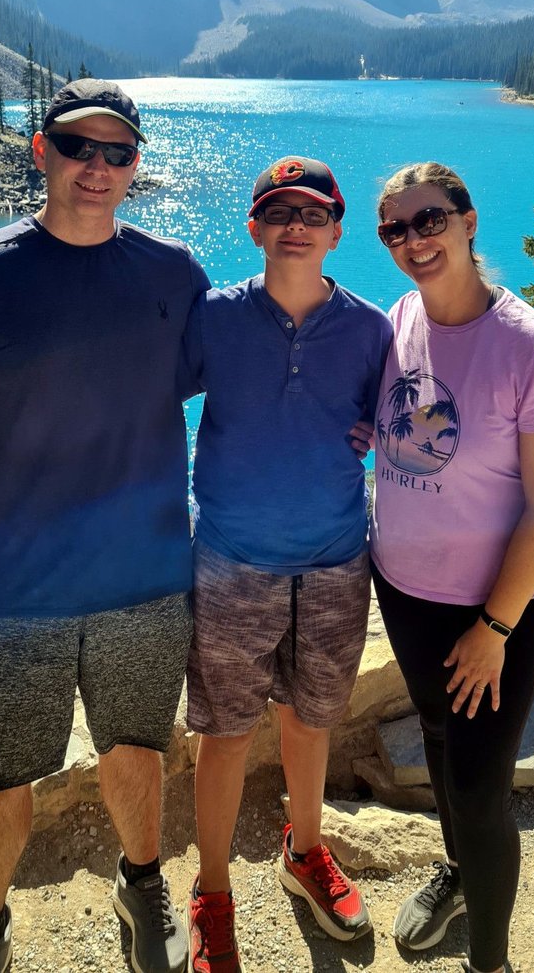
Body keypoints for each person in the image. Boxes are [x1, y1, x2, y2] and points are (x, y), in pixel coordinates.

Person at [0, 79, 209, 973]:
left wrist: (346, 416)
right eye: (80, 147)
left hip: (145, 578)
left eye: (118, 153)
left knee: (138, 752)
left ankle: (142, 885)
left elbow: (241, 374)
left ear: (134, 167)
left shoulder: (173, 274)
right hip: (8, 589)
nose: (98, 167)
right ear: (42, 151)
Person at [366, 161, 534, 973]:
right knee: (436, 739)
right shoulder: (400, 319)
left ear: (467, 220)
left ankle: (488, 963)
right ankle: (457, 875)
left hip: (495, 609)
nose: (414, 240)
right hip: (405, 588)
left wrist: (495, 626)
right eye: (396, 228)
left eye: (429, 220)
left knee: (478, 789)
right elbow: (394, 421)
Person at [182, 156, 393, 973]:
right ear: (255, 228)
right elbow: (144, 393)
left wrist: (380, 432)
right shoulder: (214, 318)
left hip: (339, 560)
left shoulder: (372, 329)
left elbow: (402, 417)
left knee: (312, 718)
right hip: (234, 559)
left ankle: (305, 852)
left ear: (337, 232)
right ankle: (212, 891)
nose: (295, 224)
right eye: (278, 210)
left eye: (313, 212)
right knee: (225, 732)